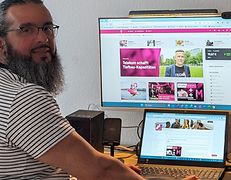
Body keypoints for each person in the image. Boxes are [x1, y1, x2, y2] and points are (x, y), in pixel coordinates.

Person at [0, 1, 199, 179]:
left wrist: (113, 171)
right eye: (26, 30)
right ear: (1, 44)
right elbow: (99, 171)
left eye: (47, 28)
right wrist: (107, 170)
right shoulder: (22, 98)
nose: (43, 38)